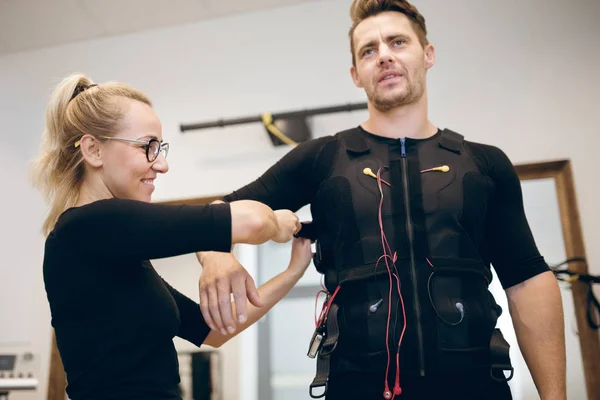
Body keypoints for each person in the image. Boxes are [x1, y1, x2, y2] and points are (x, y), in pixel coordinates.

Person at [196, 1, 567, 399]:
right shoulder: (322, 159)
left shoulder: (484, 163)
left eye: (397, 42)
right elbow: (217, 214)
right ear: (356, 74)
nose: (384, 56)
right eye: (368, 50)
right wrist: (215, 253)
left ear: (428, 54)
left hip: (475, 384)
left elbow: (526, 279)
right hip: (358, 386)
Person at [30, 73, 313, 400]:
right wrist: (276, 224)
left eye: (160, 148)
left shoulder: (116, 249)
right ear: (94, 150)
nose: (161, 164)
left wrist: (293, 271)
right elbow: (250, 221)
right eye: (148, 147)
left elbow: (215, 331)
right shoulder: (89, 225)